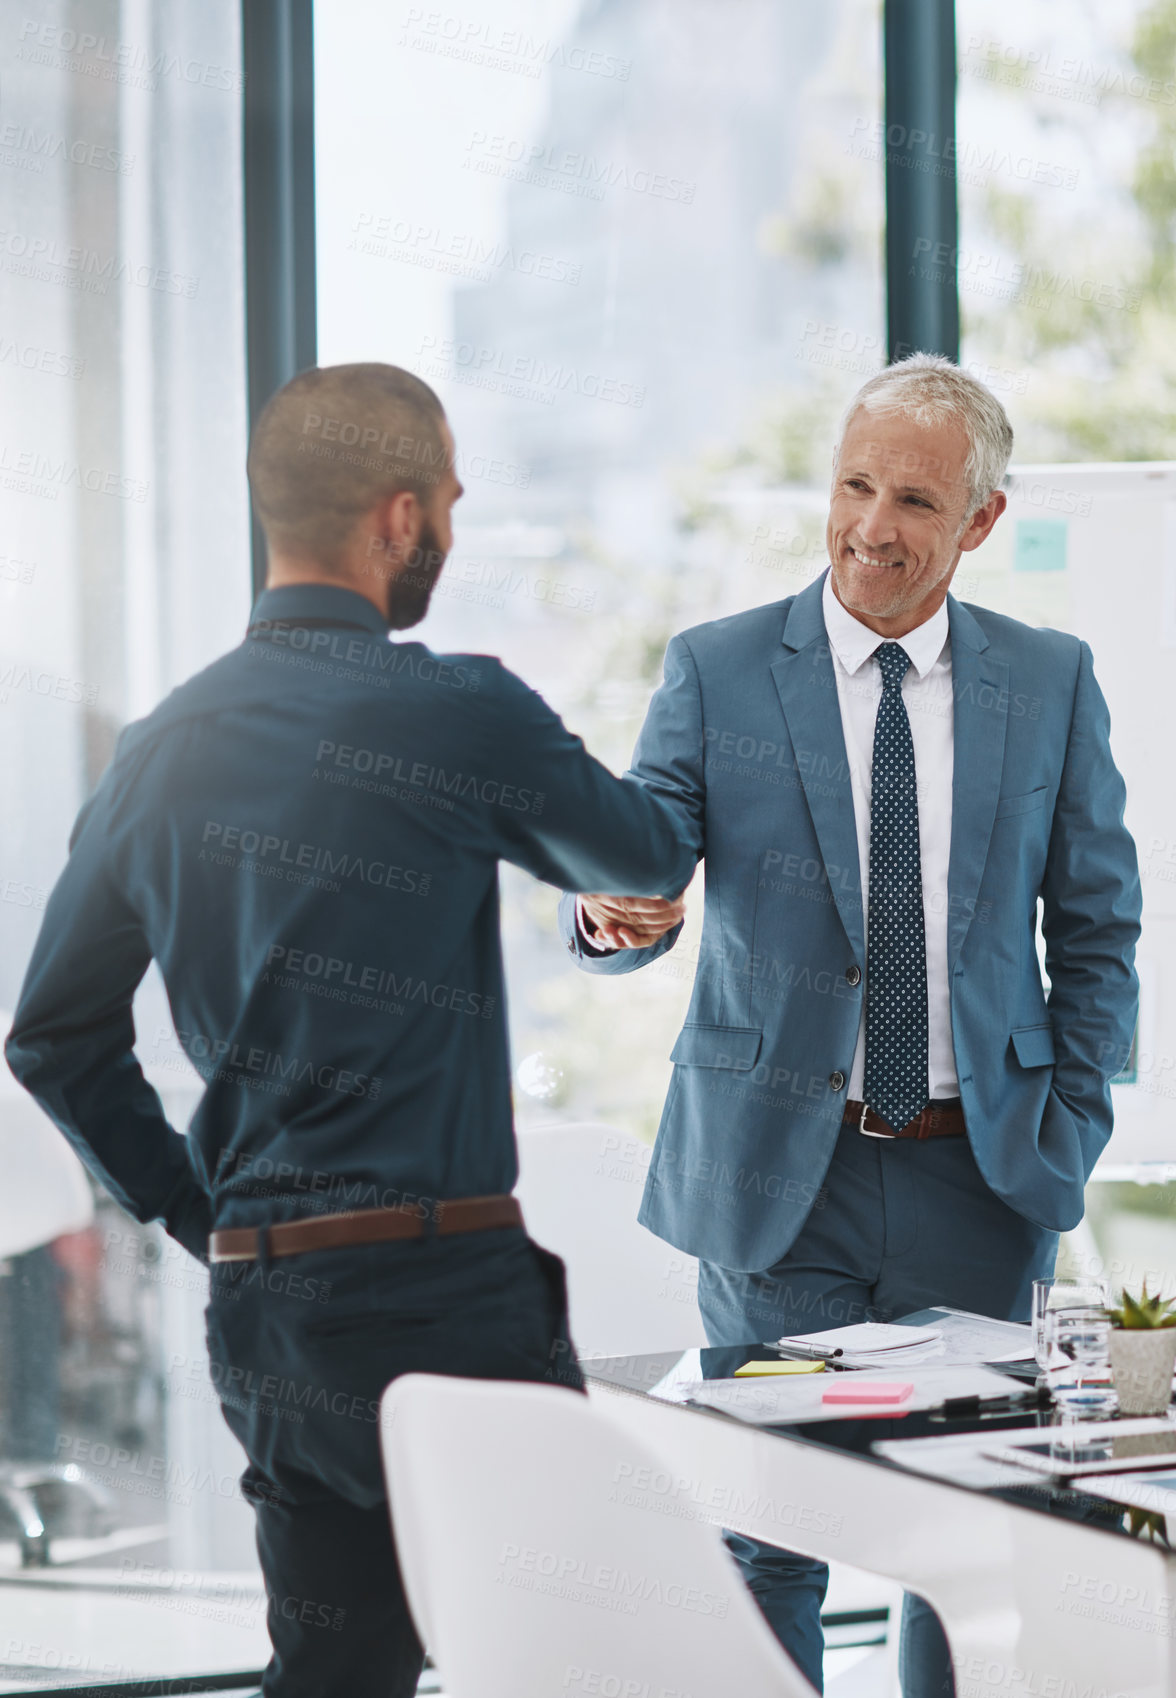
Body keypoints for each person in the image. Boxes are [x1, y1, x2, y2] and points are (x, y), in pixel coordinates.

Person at [6, 363, 696, 1698]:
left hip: (273, 1297)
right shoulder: (457, 710)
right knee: (568, 1660)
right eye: (444, 496)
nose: (448, 520)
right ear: (395, 518)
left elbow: (53, 1032)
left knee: (336, 1673)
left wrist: (201, 1211)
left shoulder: (162, 747)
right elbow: (649, 848)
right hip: (448, 1290)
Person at [558, 353, 1141, 1698]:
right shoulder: (716, 670)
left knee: (976, 1549)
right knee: (773, 1539)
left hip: (983, 1176)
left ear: (983, 522)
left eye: (917, 502)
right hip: (778, 1178)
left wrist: (1070, 1121)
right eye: (855, 484)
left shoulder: (1049, 681)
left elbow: (1102, 924)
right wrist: (613, 912)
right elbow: (639, 854)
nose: (874, 526)